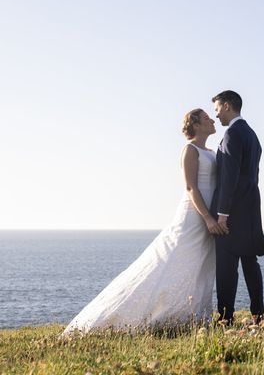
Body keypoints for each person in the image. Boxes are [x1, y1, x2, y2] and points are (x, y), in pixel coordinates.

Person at [62, 109, 224, 335]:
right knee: (172, 262)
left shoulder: (211, 151)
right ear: (195, 124)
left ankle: (190, 315)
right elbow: (190, 187)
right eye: (206, 117)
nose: (212, 119)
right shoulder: (190, 150)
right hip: (194, 216)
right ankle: (132, 315)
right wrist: (207, 217)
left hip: (210, 214)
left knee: (200, 264)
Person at [211, 90, 264, 325]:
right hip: (251, 205)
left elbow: (229, 176)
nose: (216, 115)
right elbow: (252, 175)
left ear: (227, 106)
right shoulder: (252, 135)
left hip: (233, 210)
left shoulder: (232, 135)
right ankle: (258, 314)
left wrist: (222, 214)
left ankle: (226, 317)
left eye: (217, 109)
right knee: (250, 261)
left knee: (227, 265)